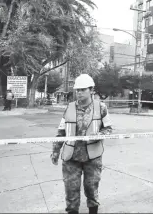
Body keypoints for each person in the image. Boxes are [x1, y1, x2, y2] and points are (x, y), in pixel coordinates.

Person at [50, 74, 113, 214]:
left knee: (92, 189)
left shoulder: (101, 107)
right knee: (71, 192)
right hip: (71, 158)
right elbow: (61, 131)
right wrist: (55, 151)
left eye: (82, 90)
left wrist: (100, 135)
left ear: (91, 90)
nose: (78, 93)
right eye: (77, 90)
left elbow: (108, 128)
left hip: (93, 157)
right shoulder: (69, 108)